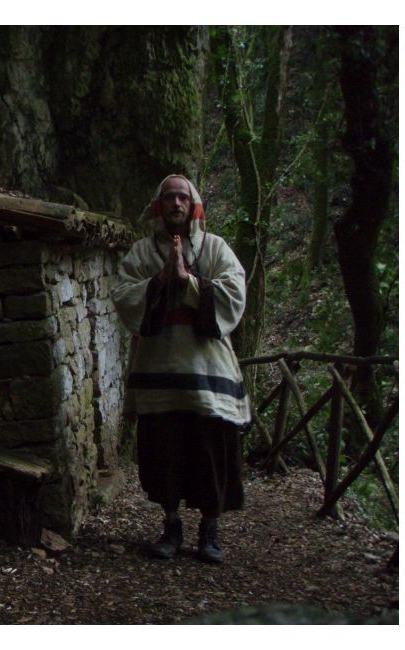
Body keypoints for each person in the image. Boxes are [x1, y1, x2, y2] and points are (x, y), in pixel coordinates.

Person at [112, 174, 250, 563]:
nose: (176, 204)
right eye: (169, 197)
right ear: (160, 206)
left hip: (209, 378)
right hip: (159, 377)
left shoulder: (218, 249)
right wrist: (159, 280)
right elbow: (123, 295)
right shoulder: (140, 253)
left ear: (194, 206)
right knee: (164, 453)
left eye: (182, 198)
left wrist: (188, 281)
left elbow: (234, 296)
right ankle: (171, 528)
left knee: (211, 452)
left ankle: (210, 533)